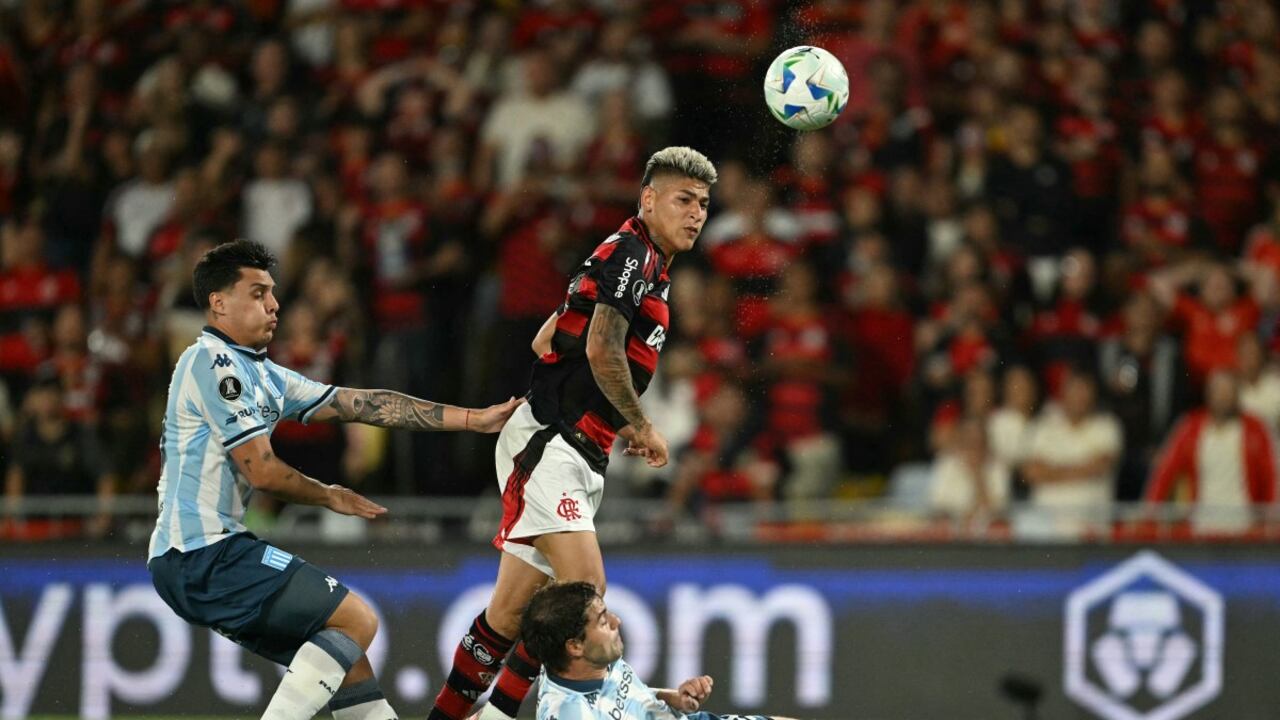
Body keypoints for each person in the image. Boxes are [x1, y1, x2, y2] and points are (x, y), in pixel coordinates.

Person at [146, 240, 520, 720]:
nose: (274, 304)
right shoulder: (214, 365)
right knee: (358, 619)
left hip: (198, 555)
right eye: (258, 293)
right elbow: (260, 470)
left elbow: (362, 403)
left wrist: (473, 419)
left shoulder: (263, 375)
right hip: (200, 551)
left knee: (346, 658)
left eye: (272, 293)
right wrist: (329, 496)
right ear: (219, 302)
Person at [429, 147, 717, 720]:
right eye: (684, 200)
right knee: (584, 597)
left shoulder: (643, 265)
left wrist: (605, 405)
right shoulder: (633, 254)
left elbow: (547, 339)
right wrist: (640, 423)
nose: (696, 214)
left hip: (574, 446)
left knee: (510, 618)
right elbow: (602, 346)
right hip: (552, 442)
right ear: (649, 199)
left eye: (704, 204)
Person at [522, 581, 799, 720]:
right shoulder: (571, 713)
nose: (617, 622)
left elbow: (618, 699)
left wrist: (673, 699)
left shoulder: (584, 662)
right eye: (604, 621)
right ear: (575, 645)